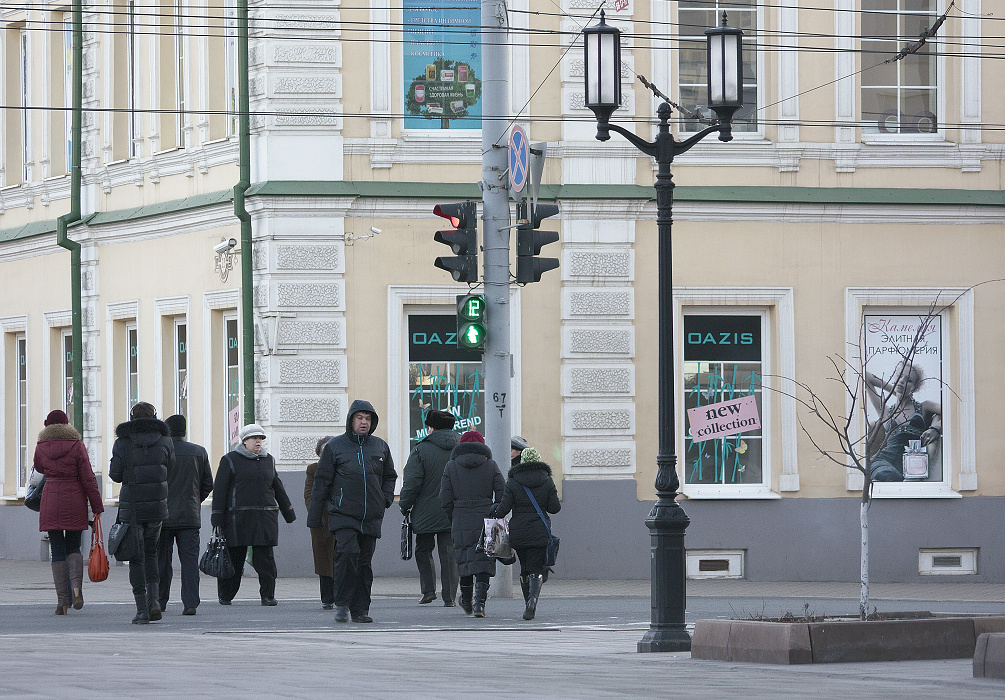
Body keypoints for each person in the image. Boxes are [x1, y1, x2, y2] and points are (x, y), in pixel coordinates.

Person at [308, 400, 396, 623]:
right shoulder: (335, 447)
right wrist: (315, 516)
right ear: (351, 420)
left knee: (364, 563)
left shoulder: (380, 446)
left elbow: (390, 476)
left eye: (367, 418)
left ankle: (361, 609)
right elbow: (321, 482)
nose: (364, 422)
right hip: (343, 513)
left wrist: (385, 499)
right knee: (346, 555)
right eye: (360, 418)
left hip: (371, 516)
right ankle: (342, 604)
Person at [211, 424, 296, 606]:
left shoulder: (268, 460)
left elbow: (277, 487)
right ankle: (226, 595)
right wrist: (217, 518)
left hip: (264, 519)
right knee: (234, 559)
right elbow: (220, 491)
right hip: (237, 519)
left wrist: (288, 512)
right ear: (244, 441)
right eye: (254, 438)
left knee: (265, 561)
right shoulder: (230, 460)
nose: (258, 441)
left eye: (261, 438)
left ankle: (268, 595)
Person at [33, 409, 105, 615]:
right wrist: (97, 507)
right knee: (74, 546)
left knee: (56, 549)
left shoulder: (41, 446)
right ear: (66, 425)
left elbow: (39, 468)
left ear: (48, 426)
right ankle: (76, 590)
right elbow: (88, 478)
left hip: (51, 499)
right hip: (75, 499)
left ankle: (62, 602)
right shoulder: (77, 445)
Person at [109, 401, 174, 624]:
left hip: (132, 508)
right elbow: (170, 469)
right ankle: (154, 601)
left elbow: (115, 475)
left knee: (136, 557)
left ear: (132, 417)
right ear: (154, 416)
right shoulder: (165, 441)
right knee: (152, 553)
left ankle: (141, 610)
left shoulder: (122, 443)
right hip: (157, 506)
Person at [439, 429, 504, 618]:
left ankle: (466, 600)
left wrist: (454, 514)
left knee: (465, 559)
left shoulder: (451, 466)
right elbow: (502, 493)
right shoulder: (491, 465)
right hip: (486, 516)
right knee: (484, 560)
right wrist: (495, 511)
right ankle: (479, 604)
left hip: (460, 516)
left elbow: (444, 498)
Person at [491, 447, 561, 620]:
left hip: (519, 532)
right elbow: (555, 508)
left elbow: (502, 510)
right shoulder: (547, 481)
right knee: (536, 567)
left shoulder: (513, 481)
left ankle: (526, 603)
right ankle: (533, 602)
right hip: (539, 530)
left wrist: (494, 509)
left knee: (524, 568)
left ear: (522, 462)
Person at [400, 409, 460, 606]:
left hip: (425, 510)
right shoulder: (462, 447)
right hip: (453, 509)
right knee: (449, 552)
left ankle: (428, 591)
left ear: (431, 427)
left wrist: (405, 504)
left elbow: (412, 482)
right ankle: (450, 596)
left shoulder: (420, 450)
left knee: (423, 550)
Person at [157, 414, 213, 615]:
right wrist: (195, 500)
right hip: (190, 516)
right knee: (189, 561)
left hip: (162, 516)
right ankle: (190, 603)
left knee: (162, 561)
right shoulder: (198, 451)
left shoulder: (160, 451)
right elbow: (208, 484)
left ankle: (160, 601)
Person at [864, 361, 942, 482]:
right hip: (883, 462)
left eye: (909, 380)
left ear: (915, 387)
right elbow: (867, 376)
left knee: (899, 479)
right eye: (900, 376)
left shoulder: (924, 407)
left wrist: (937, 427)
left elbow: (953, 411)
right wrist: (897, 391)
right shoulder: (885, 412)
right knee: (884, 473)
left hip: (914, 465)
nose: (902, 381)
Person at [305, 435, 336, 610]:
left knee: (341, 557)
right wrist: (315, 513)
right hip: (321, 521)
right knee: (324, 560)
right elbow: (308, 494)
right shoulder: (313, 469)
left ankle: (341, 595)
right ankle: (327, 597)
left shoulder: (342, 467)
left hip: (341, 517)